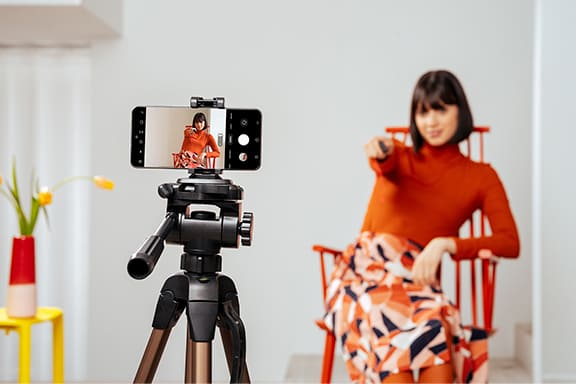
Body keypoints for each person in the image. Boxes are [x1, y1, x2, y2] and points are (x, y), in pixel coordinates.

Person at [317, 70, 520, 383]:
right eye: (423, 112)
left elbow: (509, 242)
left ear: (460, 111)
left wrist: (445, 244)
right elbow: (384, 158)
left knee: (436, 337)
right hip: (365, 274)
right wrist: (380, 149)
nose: (431, 121)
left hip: (416, 280)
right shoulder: (401, 156)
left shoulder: (482, 177)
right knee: (389, 327)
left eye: (441, 109)